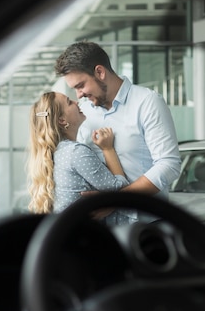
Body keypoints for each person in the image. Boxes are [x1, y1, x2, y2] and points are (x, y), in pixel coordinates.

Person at [54, 41, 181, 221]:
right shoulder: (83, 112)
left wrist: (116, 201)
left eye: (80, 85)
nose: (79, 95)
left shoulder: (147, 102)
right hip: (101, 229)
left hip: (145, 225)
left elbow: (168, 165)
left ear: (100, 72)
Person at [27, 91, 130, 224]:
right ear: (62, 120)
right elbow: (119, 190)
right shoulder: (75, 152)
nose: (77, 102)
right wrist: (108, 149)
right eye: (69, 102)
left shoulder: (58, 153)